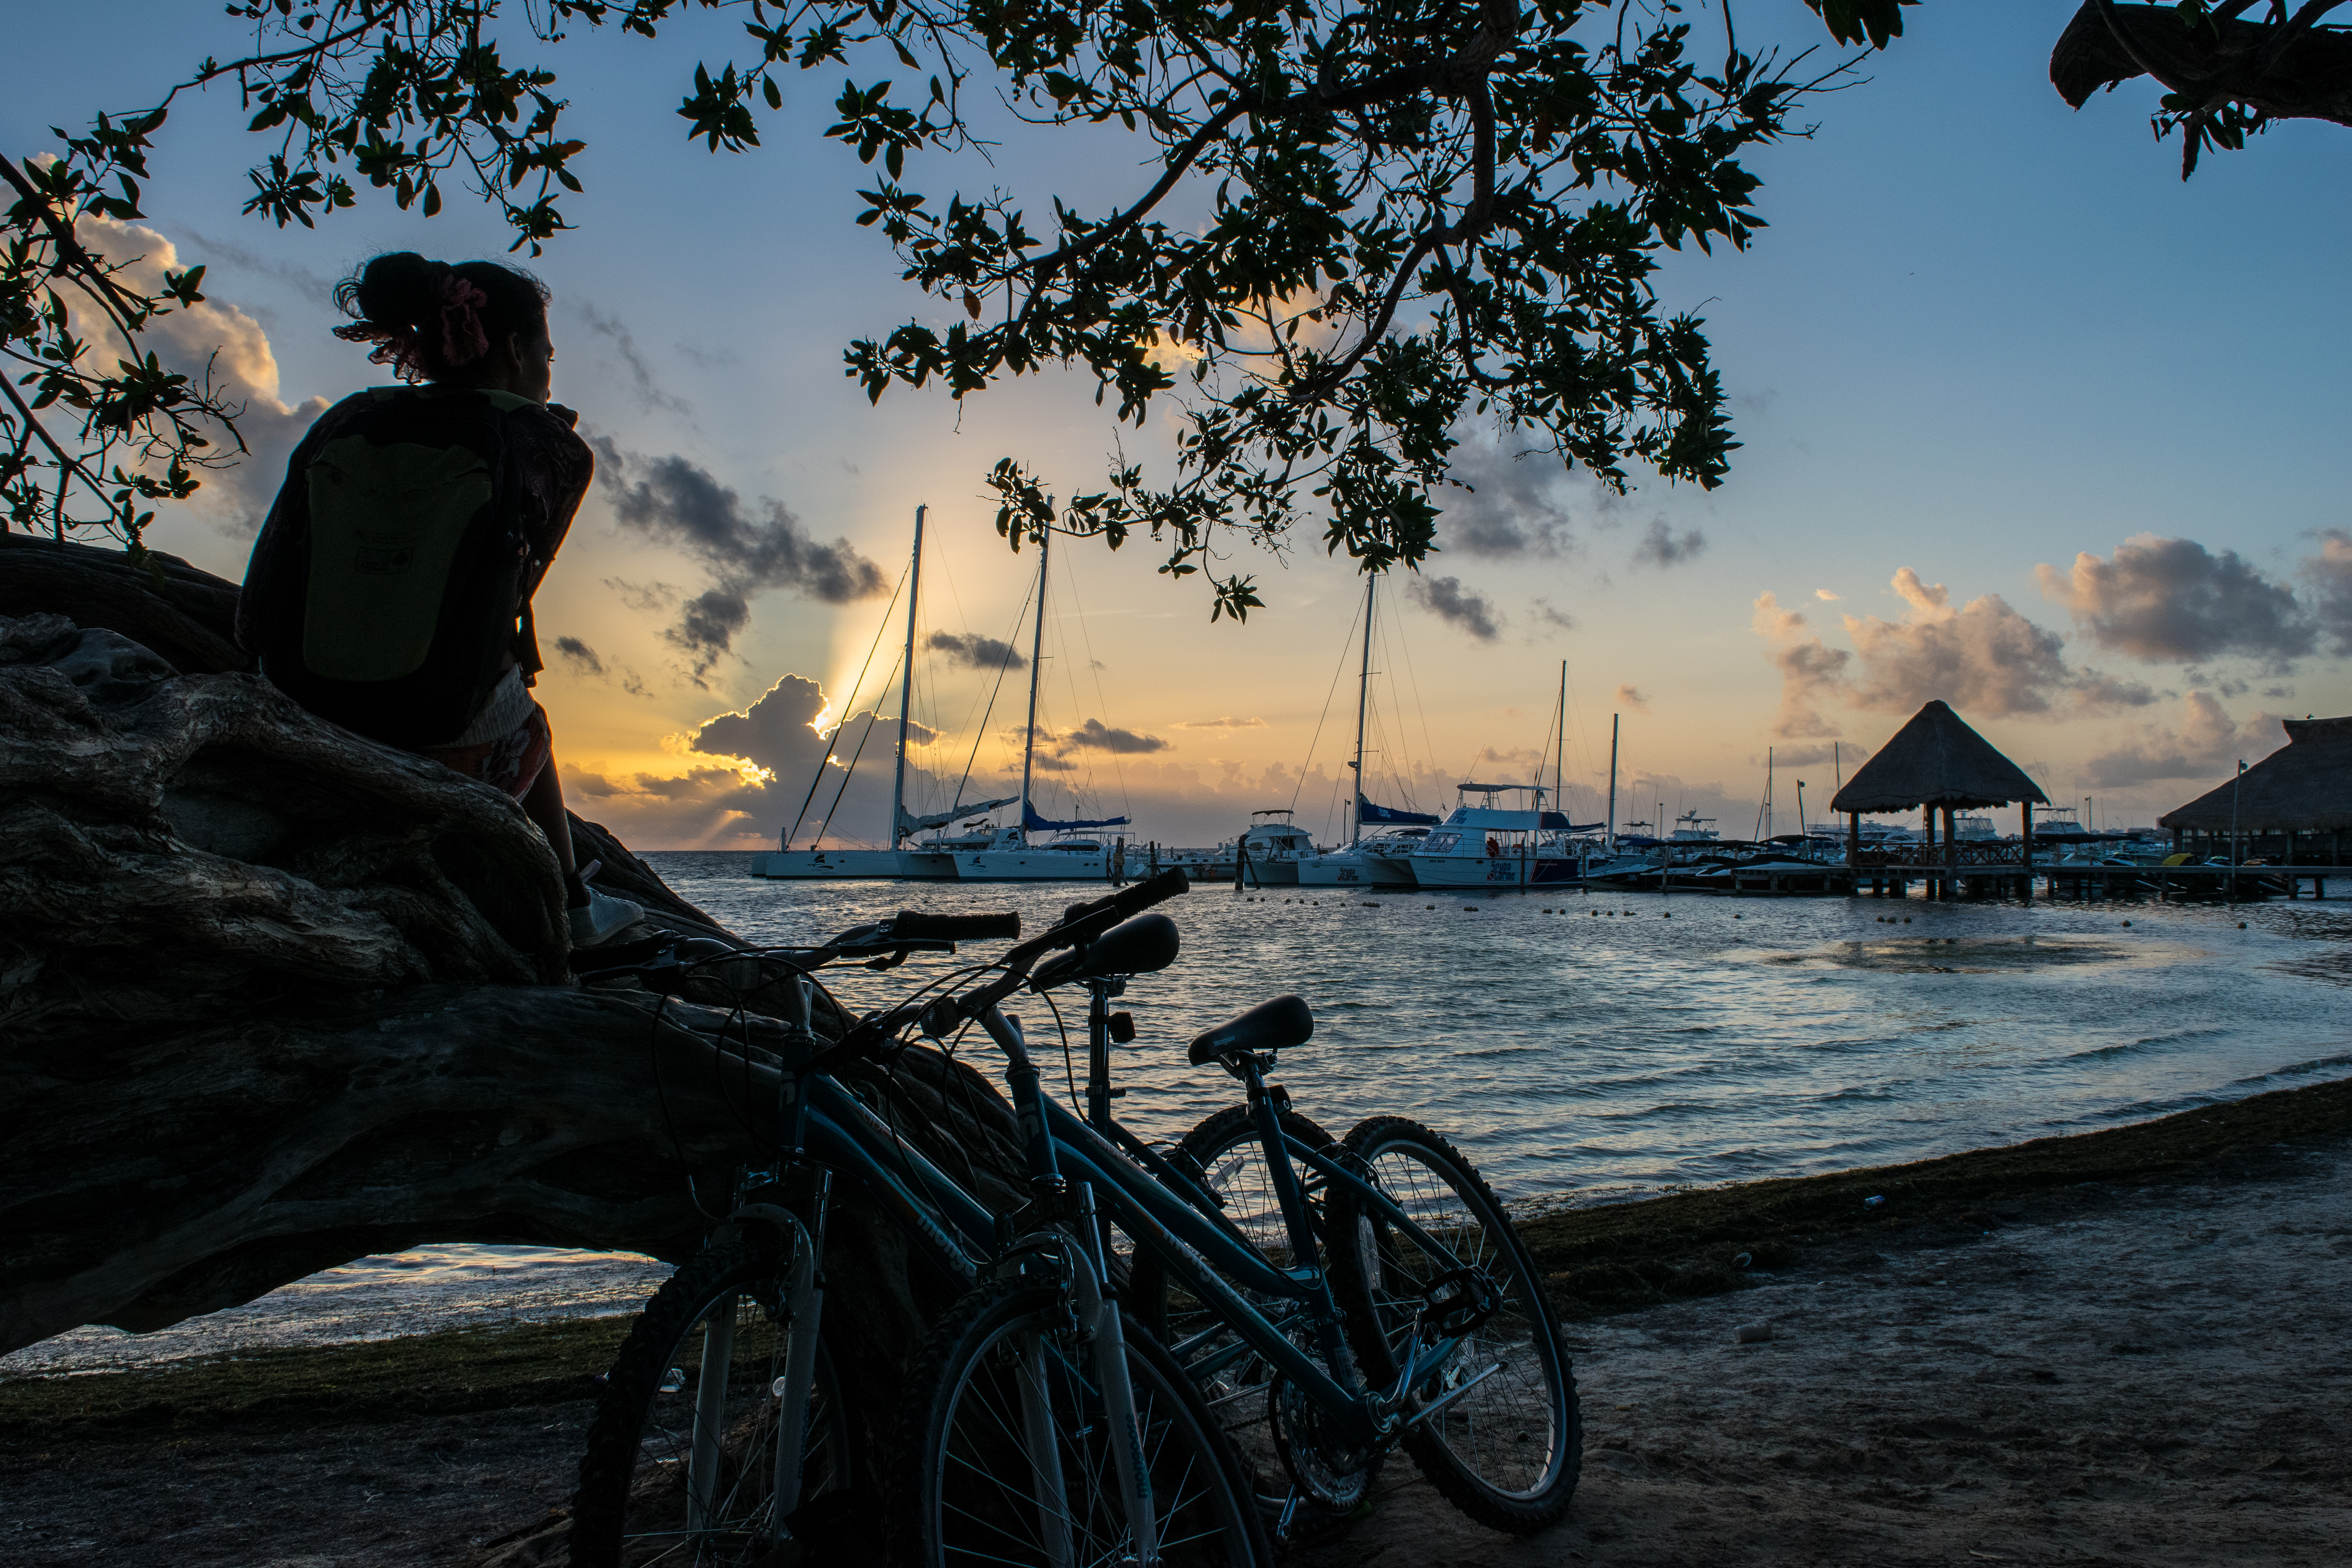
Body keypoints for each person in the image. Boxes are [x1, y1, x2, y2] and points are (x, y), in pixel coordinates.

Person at [236, 251, 642, 946]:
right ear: (514, 351)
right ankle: (573, 908)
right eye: (547, 353)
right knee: (530, 717)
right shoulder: (541, 441)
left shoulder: (346, 422)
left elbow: (257, 609)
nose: (549, 370)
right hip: (444, 729)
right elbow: (501, 607)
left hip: (297, 707)